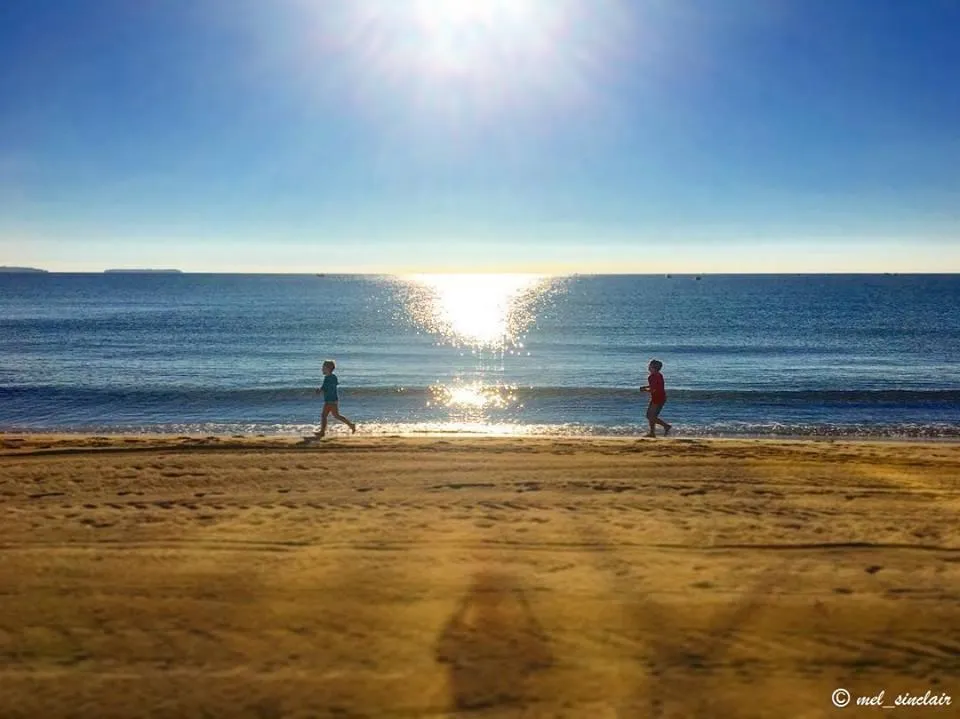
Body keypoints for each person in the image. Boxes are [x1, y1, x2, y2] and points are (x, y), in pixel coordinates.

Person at [315, 359, 356, 438]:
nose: (322, 369)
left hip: (330, 400)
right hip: (333, 399)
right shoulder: (332, 377)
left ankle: (322, 432)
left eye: (323, 367)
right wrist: (321, 390)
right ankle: (351, 425)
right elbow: (329, 387)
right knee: (336, 415)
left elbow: (325, 388)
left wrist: (319, 390)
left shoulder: (328, 378)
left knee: (324, 415)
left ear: (328, 368)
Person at [640, 359, 672, 438]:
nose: (648, 367)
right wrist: (646, 387)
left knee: (650, 416)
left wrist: (645, 390)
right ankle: (652, 432)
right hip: (660, 397)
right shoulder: (658, 375)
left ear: (653, 367)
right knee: (651, 416)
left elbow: (653, 389)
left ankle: (665, 426)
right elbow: (655, 385)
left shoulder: (652, 377)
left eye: (650, 365)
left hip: (658, 398)